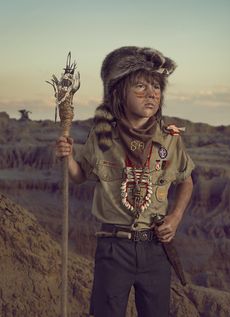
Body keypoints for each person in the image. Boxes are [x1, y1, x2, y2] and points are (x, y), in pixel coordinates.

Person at [55, 46, 194, 317]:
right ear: (119, 92)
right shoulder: (102, 135)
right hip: (113, 247)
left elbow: (186, 181)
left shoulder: (170, 138)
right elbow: (80, 175)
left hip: (155, 246)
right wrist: (68, 157)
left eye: (156, 87)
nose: (152, 94)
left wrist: (175, 218)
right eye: (140, 87)